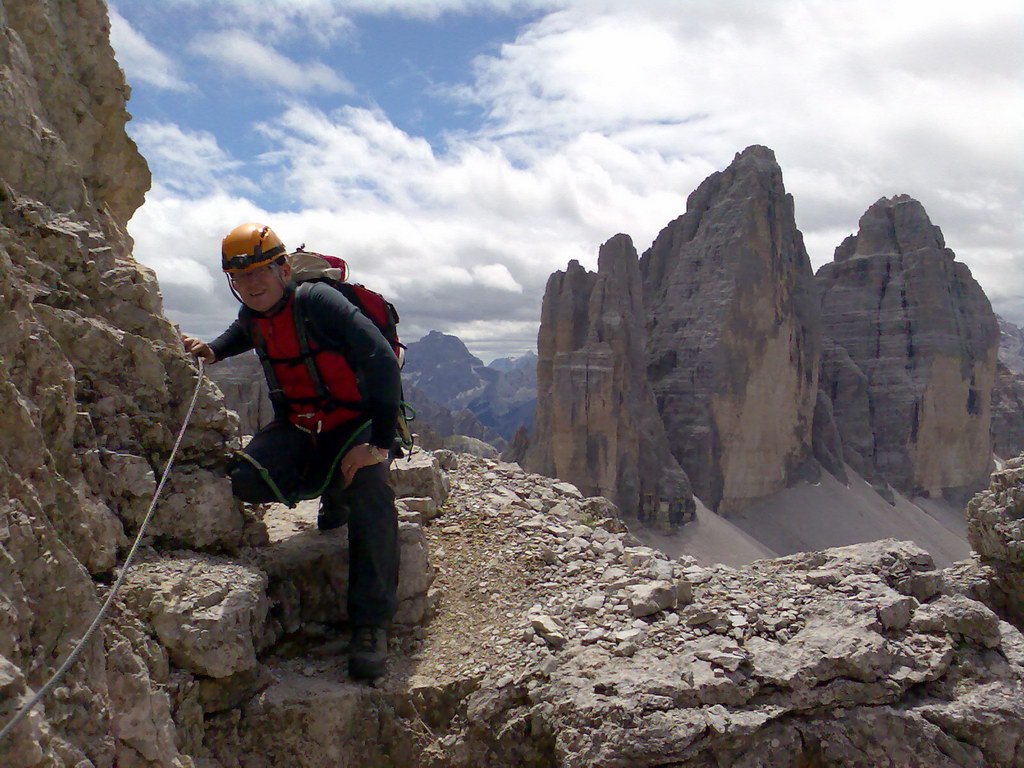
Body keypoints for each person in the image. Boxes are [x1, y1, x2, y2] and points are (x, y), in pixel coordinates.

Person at [182, 222, 402, 681]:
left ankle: (370, 624)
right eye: (240, 278)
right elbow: (241, 332)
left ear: (284, 269)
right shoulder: (255, 314)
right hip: (301, 426)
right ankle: (332, 489)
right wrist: (211, 351)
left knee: (370, 490)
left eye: (261, 271)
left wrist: (379, 446)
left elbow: (381, 358)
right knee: (245, 479)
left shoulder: (318, 301)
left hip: (355, 424)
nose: (251, 284)